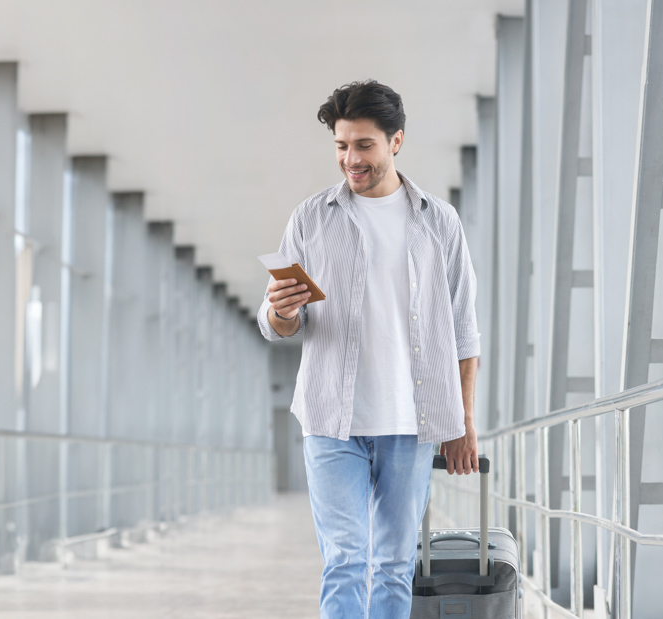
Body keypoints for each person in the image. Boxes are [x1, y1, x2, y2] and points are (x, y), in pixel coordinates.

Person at [256, 80, 481, 618]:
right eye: (341, 146)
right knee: (345, 561)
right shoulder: (311, 218)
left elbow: (463, 331)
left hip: (410, 423)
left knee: (395, 563)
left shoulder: (438, 220)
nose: (350, 160)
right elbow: (279, 325)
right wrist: (281, 311)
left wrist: (463, 421)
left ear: (395, 141)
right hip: (331, 420)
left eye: (363, 146)